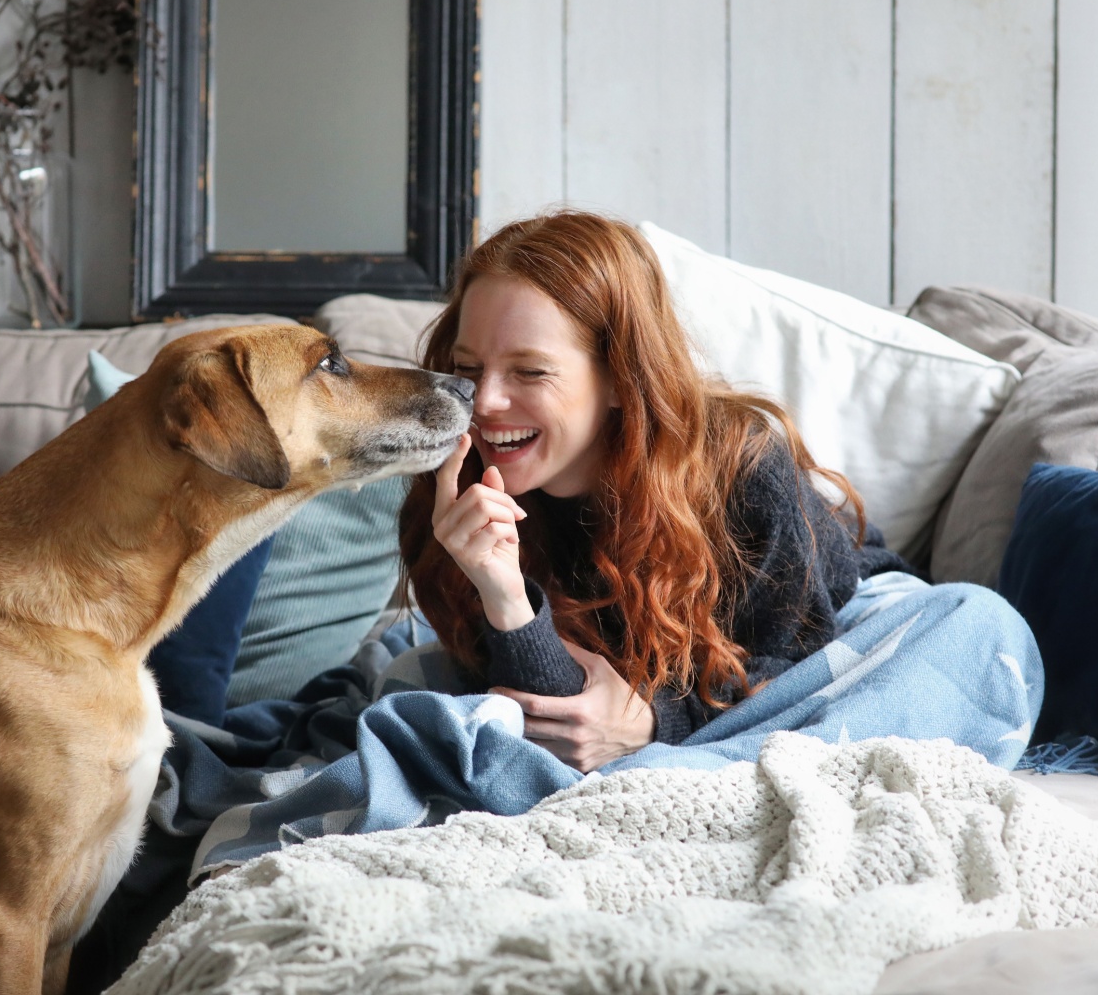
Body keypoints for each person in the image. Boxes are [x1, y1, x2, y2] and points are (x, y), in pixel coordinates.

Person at [393, 210, 970, 773]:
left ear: (620, 377)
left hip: (820, 627)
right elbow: (555, 724)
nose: (486, 402)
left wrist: (650, 727)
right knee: (407, 685)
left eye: (530, 372)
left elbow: (790, 675)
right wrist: (507, 598)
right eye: (468, 368)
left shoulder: (743, 467)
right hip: (669, 687)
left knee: (976, 621)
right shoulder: (450, 490)